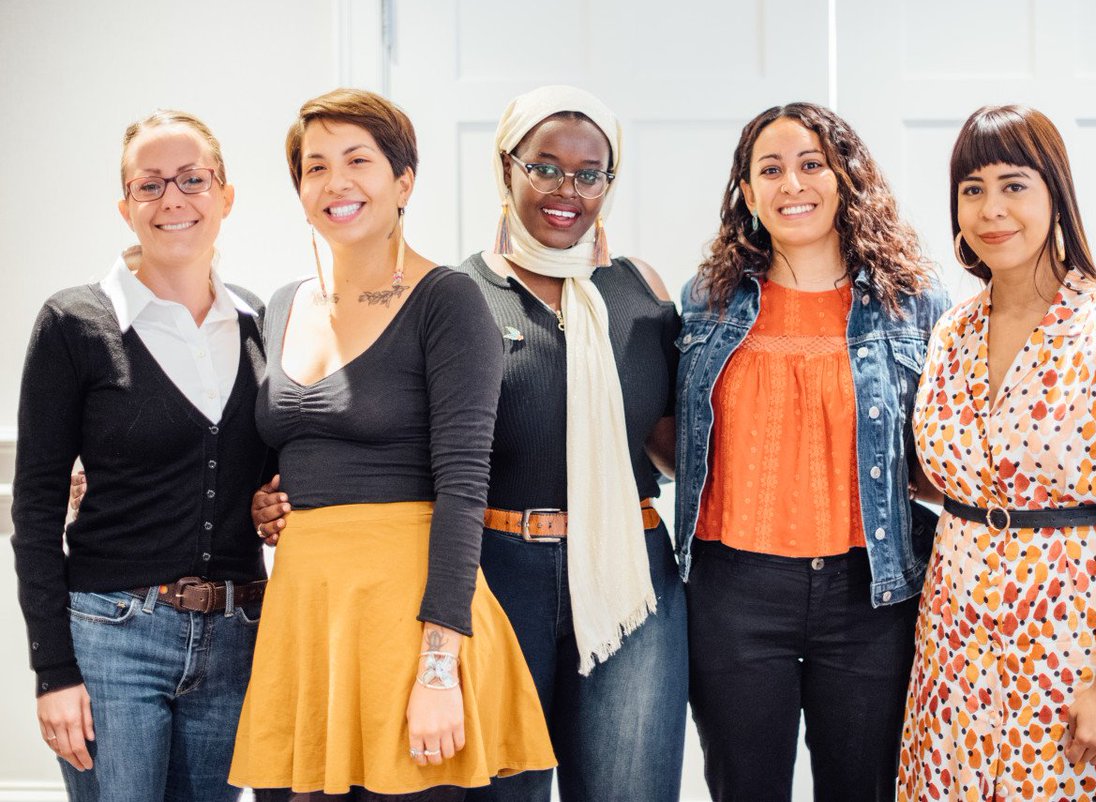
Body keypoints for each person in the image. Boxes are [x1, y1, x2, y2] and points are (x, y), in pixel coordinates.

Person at [253, 84, 688, 802]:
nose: (566, 189)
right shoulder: (460, 292)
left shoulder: (638, 286)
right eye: (544, 166)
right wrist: (276, 500)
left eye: (590, 173)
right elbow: (405, 451)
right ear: (506, 167)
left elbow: (674, 442)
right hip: (497, 567)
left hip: (627, 569)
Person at [227, 88, 553, 802]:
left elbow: (465, 486)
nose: (336, 182)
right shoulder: (280, 305)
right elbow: (277, 451)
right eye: (315, 167)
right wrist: (263, 500)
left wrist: (438, 670)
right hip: (307, 621)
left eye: (358, 160)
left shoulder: (447, 301)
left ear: (403, 181)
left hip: (409, 624)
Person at [897, 105, 1096, 801]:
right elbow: (954, 476)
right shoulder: (950, 333)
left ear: (1055, 195)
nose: (992, 209)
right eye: (972, 190)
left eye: (1013, 185)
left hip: (1070, 649)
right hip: (953, 650)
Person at [674, 102, 951, 802]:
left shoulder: (914, 304)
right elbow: (677, 433)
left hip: (871, 592)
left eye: (810, 164)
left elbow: (944, 446)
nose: (791, 184)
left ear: (845, 178)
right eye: (770, 169)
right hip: (734, 591)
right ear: (746, 191)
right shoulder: (707, 300)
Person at [11, 110, 270, 801]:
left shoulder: (260, 324)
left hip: (239, 634)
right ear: (126, 208)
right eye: (149, 186)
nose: (173, 200)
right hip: (113, 639)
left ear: (226, 196)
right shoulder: (75, 324)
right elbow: (35, 509)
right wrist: (53, 672)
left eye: (193, 179)